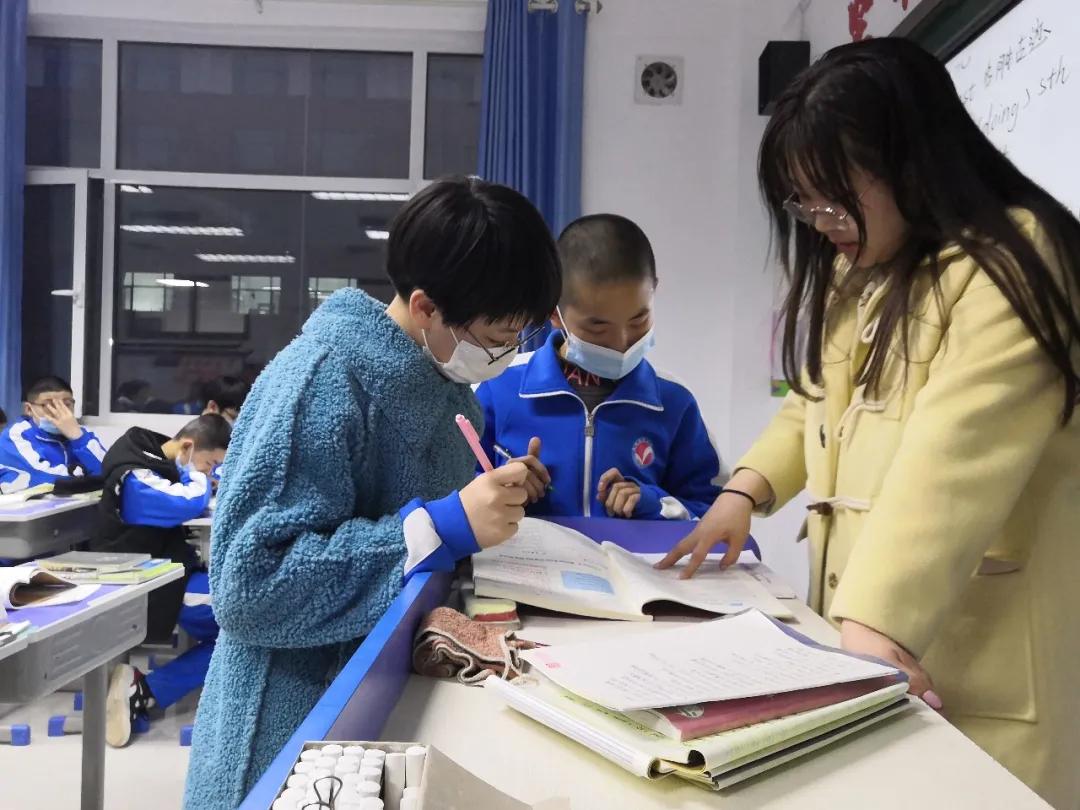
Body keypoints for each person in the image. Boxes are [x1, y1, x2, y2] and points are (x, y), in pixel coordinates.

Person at [659, 39, 1080, 806]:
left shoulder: (1015, 258)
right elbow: (815, 400)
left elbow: (956, 455)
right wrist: (743, 491)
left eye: (833, 197)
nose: (820, 222)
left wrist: (875, 625)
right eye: (802, 202)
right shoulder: (867, 270)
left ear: (912, 163)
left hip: (971, 653)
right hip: (872, 639)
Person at [183, 176, 561, 808]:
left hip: (378, 696)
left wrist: (494, 494)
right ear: (426, 308)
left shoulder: (445, 384)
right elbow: (250, 587)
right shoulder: (317, 382)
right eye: (498, 336)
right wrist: (442, 526)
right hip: (290, 725)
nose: (505, 353)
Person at [476, 214, 725, 519]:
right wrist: (501, 490)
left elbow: (713, 512)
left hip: (632, 553)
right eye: (598, 327)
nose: (621, 342)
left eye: (639, 320)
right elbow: (453, 496)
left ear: (653, 291)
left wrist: (655, 504)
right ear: (553, 312)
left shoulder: (674, 403)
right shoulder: (498, 387)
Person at [97, 415, 230, 747]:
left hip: (170, 572)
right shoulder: (134, 472)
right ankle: (145, 689)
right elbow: (184, 502)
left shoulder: (156, 459)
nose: (210, 472)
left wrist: (199, 474)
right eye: (210, 463)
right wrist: (197, 477)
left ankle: (146, 689)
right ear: (188, 447)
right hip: (151, 583)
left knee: (240, 629)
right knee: (243, 615)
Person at [0, 376, 107, 493]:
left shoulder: (80, 433)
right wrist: (89, 477)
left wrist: (78, 437)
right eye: (48, 406)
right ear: (29, 409)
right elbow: (43, 479)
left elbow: (109, 472)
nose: (57, 412)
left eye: (66, 405)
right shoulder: (15, 435)